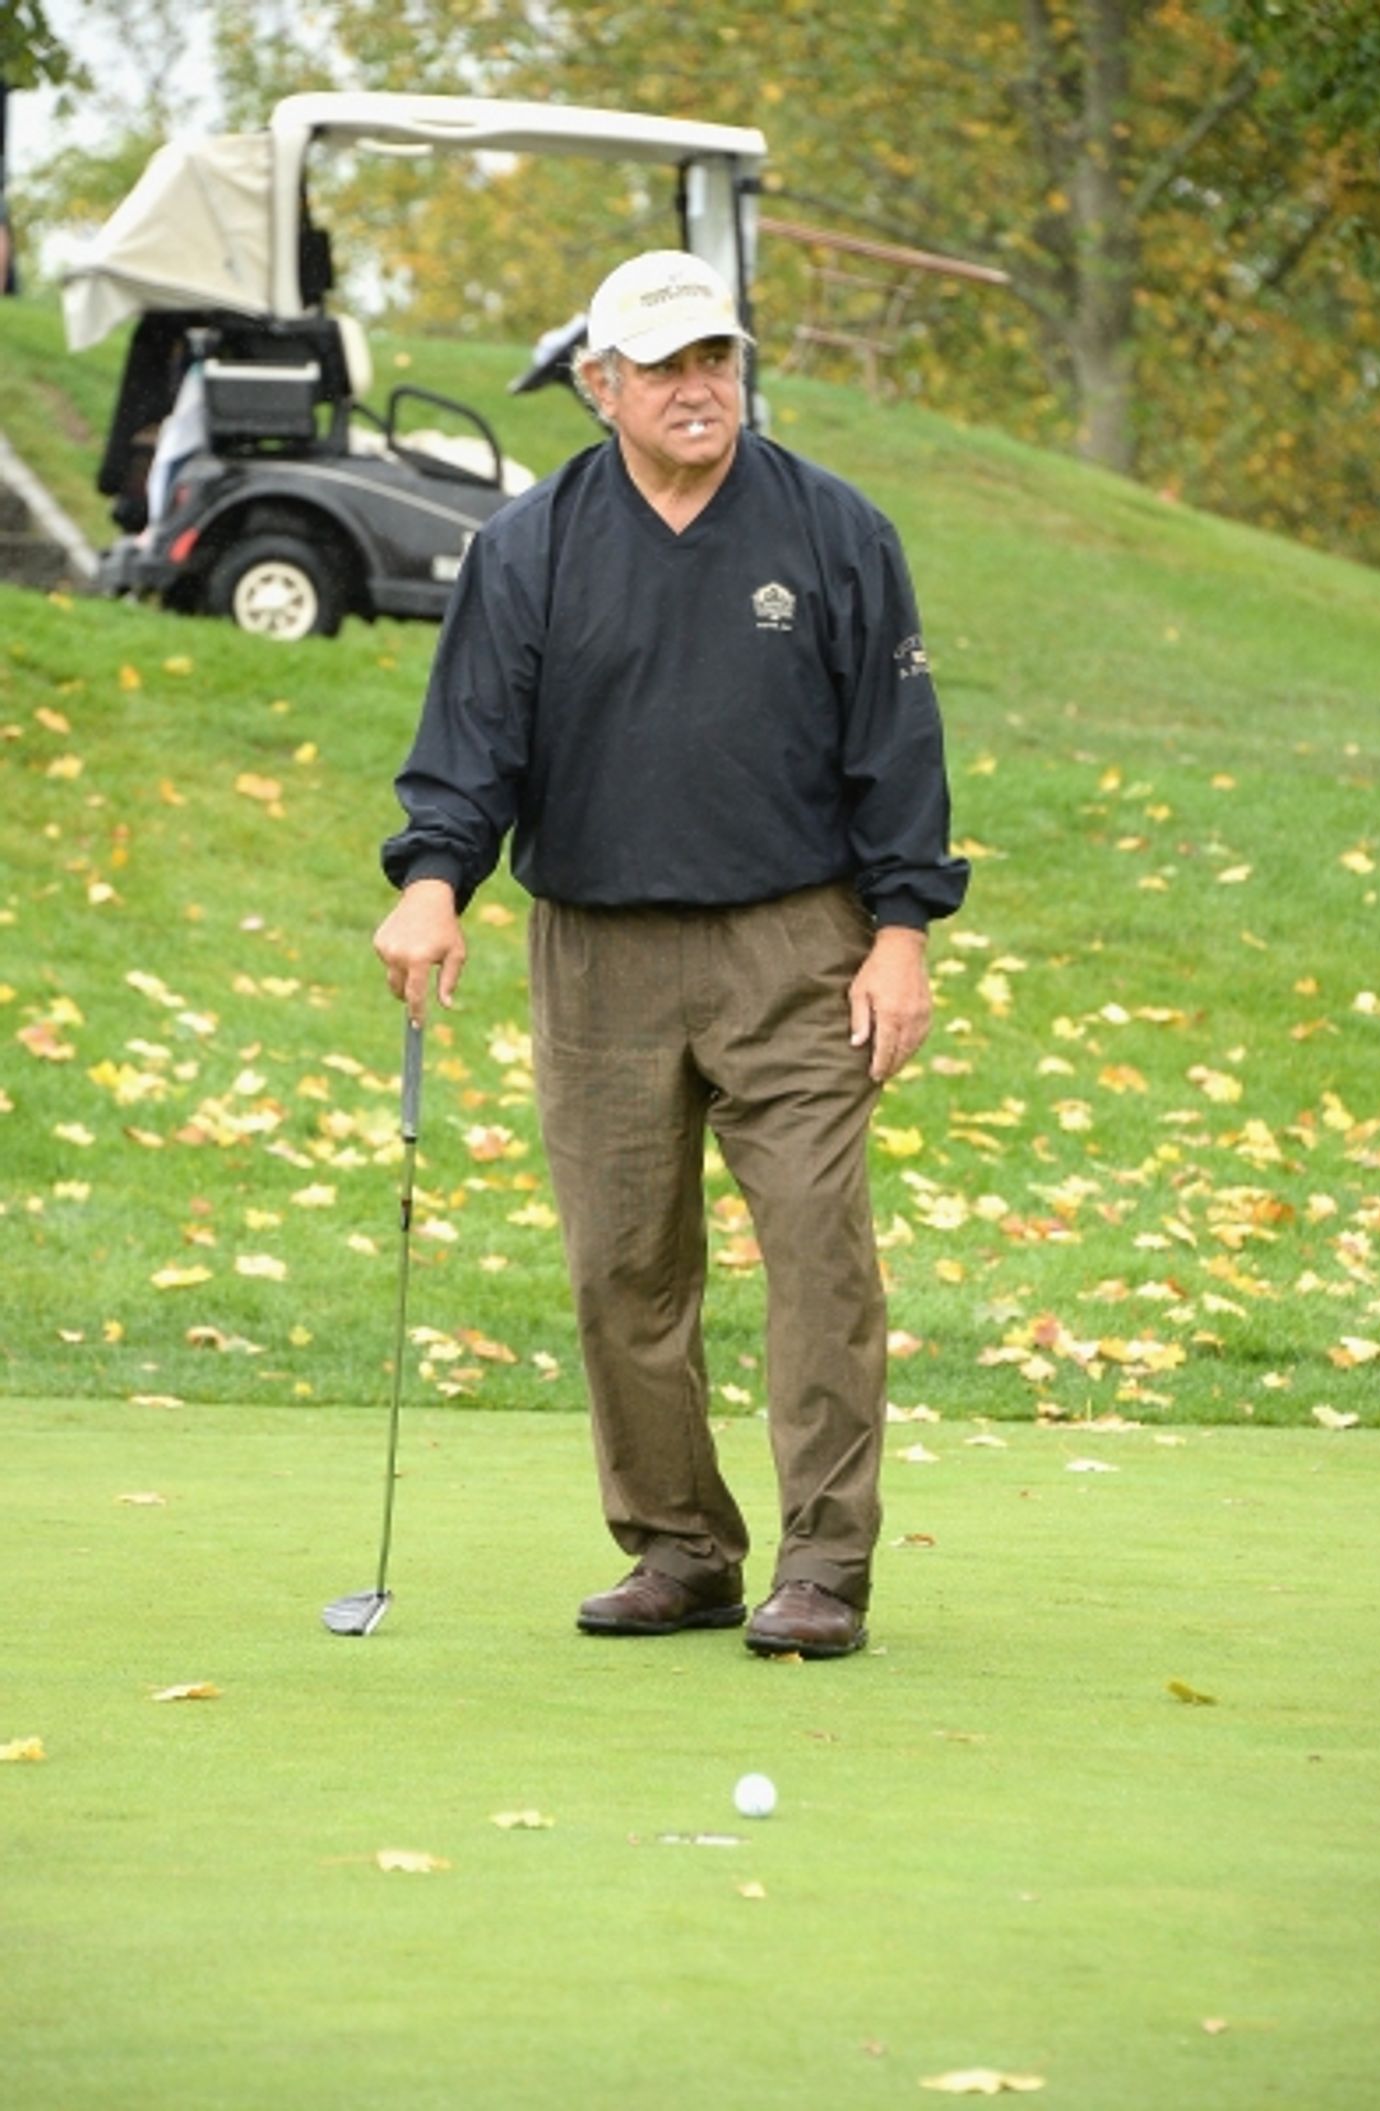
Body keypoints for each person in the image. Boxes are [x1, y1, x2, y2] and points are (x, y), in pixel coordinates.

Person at [374, 249, 969, 1660]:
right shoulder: (532, 545)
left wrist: (899, 937)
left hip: (798, 948)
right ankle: (683, 1547)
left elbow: (900, 754)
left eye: (716, 359)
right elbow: (470, 749)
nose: (698, 389)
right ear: (600, 386)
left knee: (821, 1259)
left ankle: (824, 1567)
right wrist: (435, 882)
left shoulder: (836, 530)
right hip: (598, 959)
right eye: (664, 368)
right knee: (622, 1270)